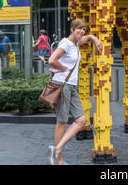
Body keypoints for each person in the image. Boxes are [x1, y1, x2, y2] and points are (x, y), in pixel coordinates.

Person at [47, 19, 102, 166]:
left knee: (81, 120)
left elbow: (84, 39)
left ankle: (56, 149)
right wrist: (63, 68)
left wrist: (92, 37)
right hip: (63, 85)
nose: (82, 32)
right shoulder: (66, 43)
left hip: (71, 86)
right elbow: (52, 59)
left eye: (84, 29)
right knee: (62, 122)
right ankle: (58, 160)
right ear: (72, 29)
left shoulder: (75, 42)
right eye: (79, 29)